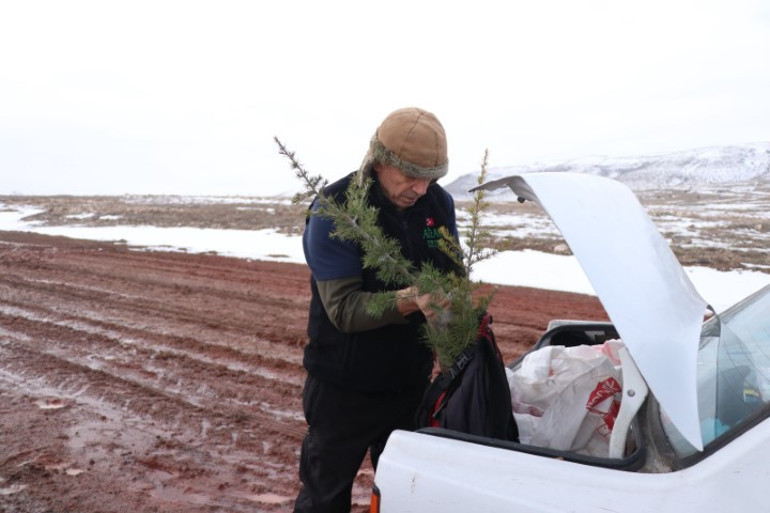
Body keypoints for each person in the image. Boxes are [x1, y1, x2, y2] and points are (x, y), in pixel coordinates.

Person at [294, 107, 462, 513]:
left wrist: (455, 336)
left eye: (431, 177)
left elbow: (451, 284)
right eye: (410, 176)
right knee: (324, 498)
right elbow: (344, 310)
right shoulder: (334, 209)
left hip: (409, 386)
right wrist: (412, 298)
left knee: (407, 496)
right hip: (343, 390)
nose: (421, 189)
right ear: (380, 162)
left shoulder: (438, 205)